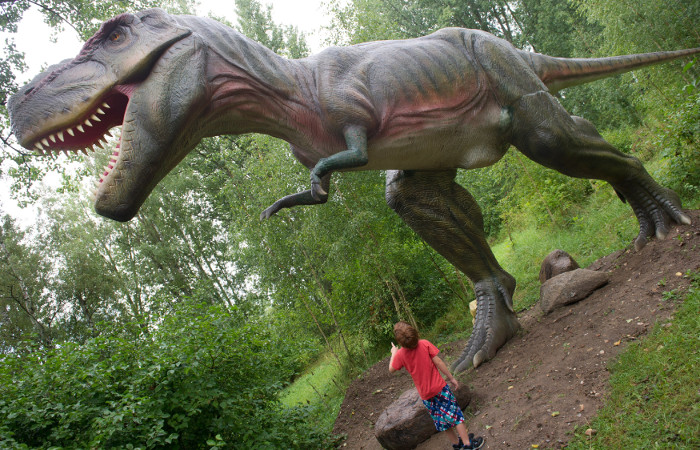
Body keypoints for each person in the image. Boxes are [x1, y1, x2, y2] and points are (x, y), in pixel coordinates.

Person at [389, 321, 484, 450]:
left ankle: (457, 444)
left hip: (426, 396)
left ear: (400, 342)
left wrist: (394, 353)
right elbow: (438, 362)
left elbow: (391, 369)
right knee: (456, 417)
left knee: (442, 422)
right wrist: (451, 378)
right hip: (440, 389)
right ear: (414, 333)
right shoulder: (424, 344)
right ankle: (468, 444)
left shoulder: (400, 354)